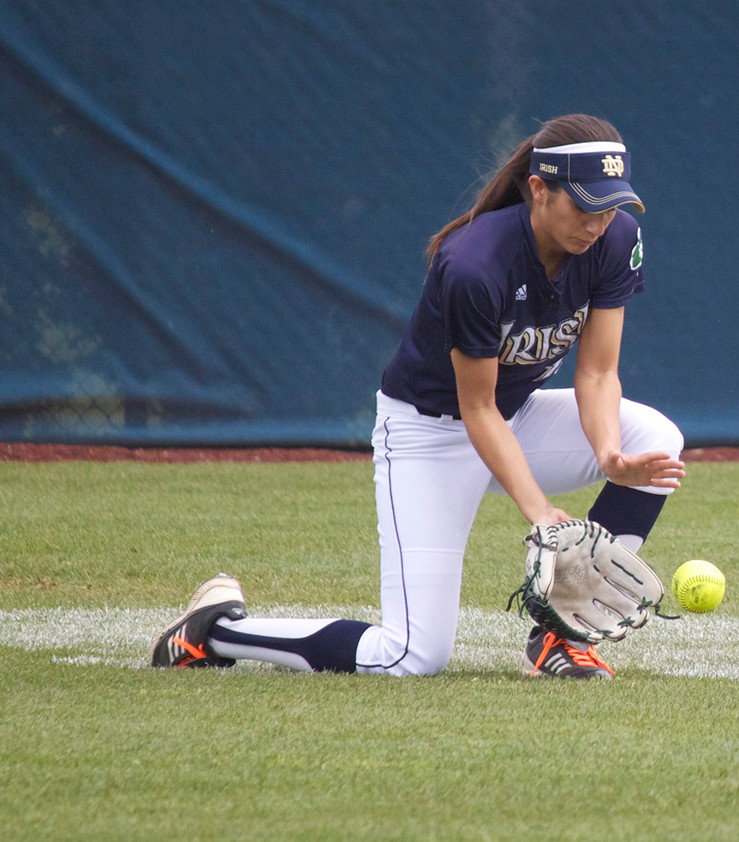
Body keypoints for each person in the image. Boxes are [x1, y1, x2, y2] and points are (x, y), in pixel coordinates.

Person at [152, 114, 686, 680]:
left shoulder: (615, 239)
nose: (599, 223)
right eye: (584, 206)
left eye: (610, 206)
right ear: (538, 189)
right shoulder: (474, 264)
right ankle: (214, 631)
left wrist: (609, 456)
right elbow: (475, 407)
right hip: (428, 434)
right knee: (410, 656)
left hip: (517, 416)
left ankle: (561, 638)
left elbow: (598, 374)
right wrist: (541, 513)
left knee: (655, 439)